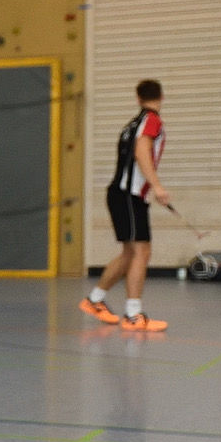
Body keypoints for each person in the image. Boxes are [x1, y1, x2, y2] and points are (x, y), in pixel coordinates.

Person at [79, 79, 170, 332]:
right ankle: (133, 316)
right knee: (142, 252)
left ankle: (94, 301)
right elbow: (142, 153)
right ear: (162, 96)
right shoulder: (152, 120)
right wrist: (158, 187)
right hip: (128, 195)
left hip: (121, 194)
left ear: (138, 98)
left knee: (131, 252)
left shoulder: (132, 124)